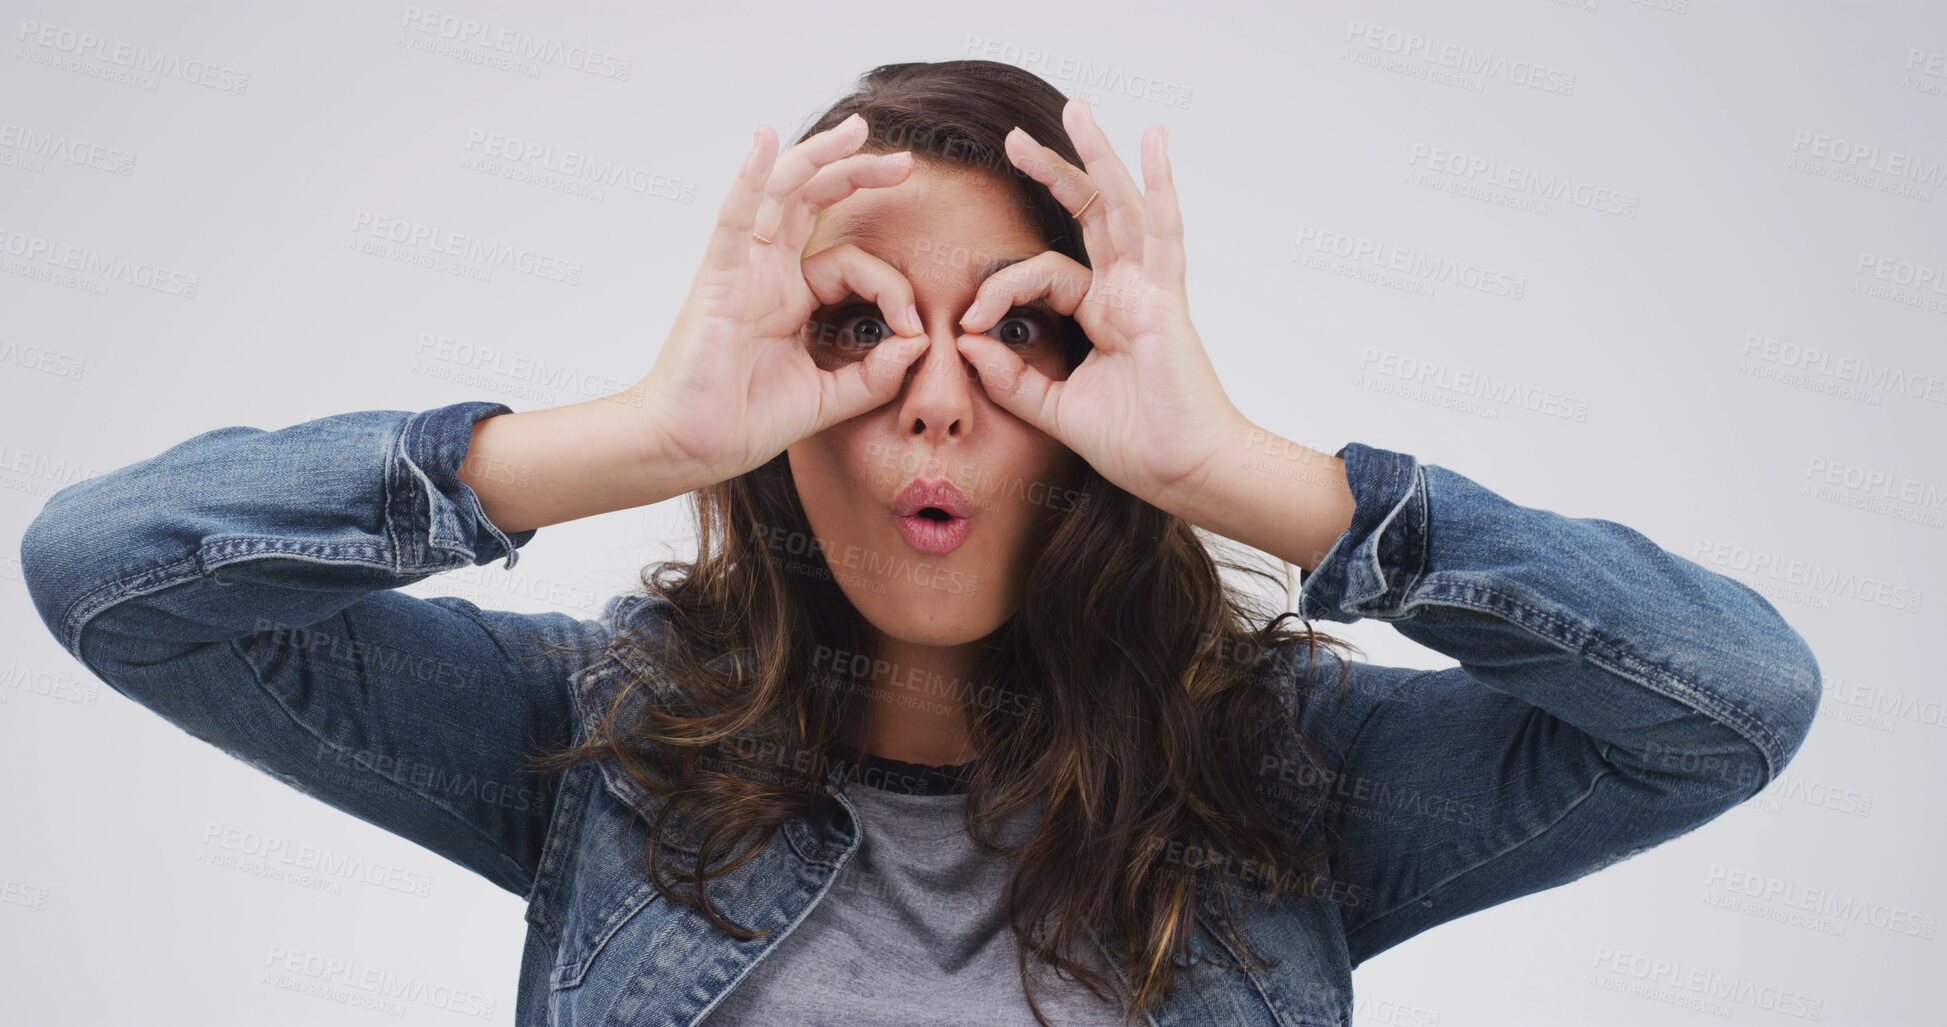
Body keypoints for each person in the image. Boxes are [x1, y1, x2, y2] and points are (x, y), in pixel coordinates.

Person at [18, 60, 1820, 1027]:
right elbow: (112, 573)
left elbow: (1732, 701)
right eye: (853, 335)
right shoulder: (594, 745)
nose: (935, 401)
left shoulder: (1288, 781)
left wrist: (1240, 465)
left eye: (1022, 333)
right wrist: (648, 434)